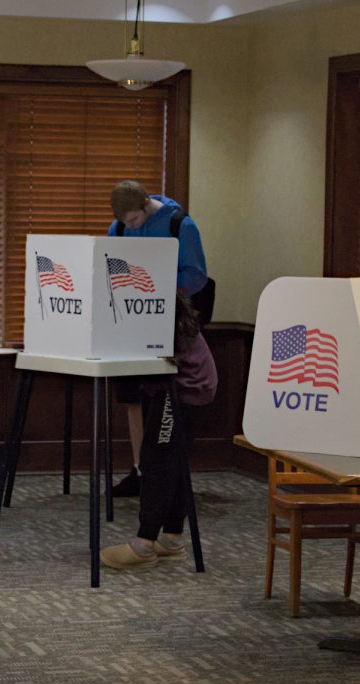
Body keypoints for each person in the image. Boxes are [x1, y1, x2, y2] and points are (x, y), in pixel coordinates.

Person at [106, 180, 209, 499]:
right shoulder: (120, 227)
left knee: (159, 397)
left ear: (146, 205)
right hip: (129, 322)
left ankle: (161, 470)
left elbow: (197, 276)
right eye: (124, 223)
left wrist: (158, 286)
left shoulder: (180, 224)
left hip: (168, 323)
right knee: (132, 396)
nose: (129, 228)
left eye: (134, 221)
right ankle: (140, 469)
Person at [99, 293, 216, 570]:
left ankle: (144, 544)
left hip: (183, 388)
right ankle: (172, 539)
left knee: (157, 461)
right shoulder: (163, 302)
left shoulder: (153, 311)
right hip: (191, 385)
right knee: (173, 462)